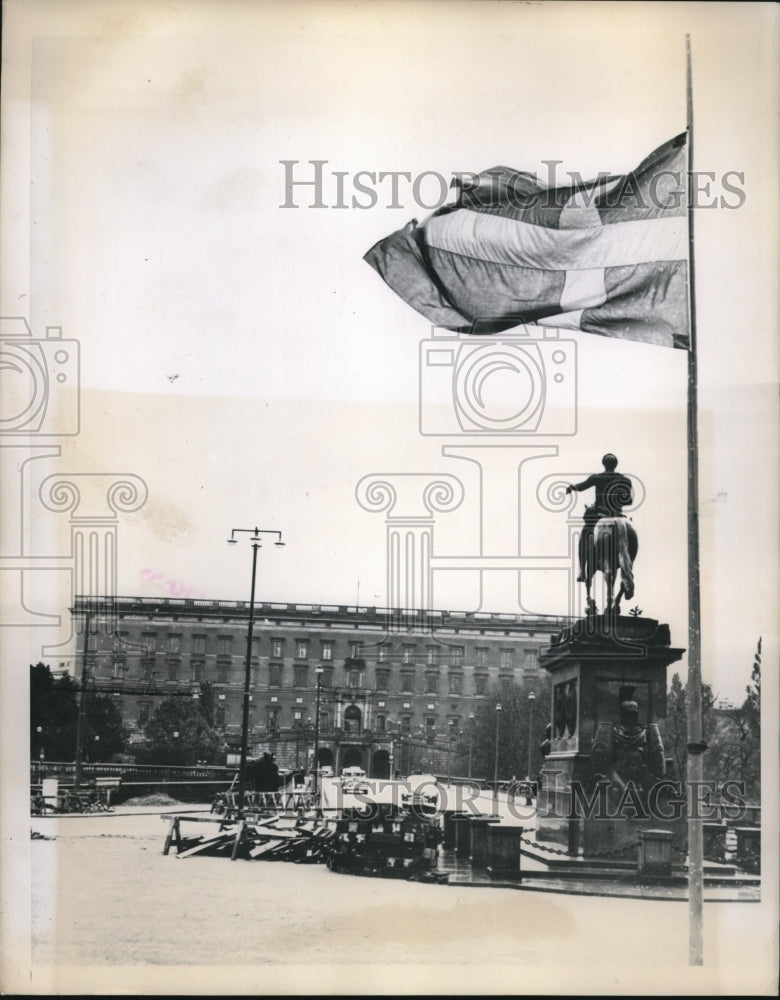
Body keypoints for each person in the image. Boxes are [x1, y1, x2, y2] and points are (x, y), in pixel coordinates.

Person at [565, 454, 633, 582]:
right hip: (618, 515)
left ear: (604, 464)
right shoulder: (625, 480)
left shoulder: (597, 478)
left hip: (600, 515)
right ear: (616, 465)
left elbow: (581, 486)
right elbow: (629, 501)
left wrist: (571, 488)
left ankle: (582, 572)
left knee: (584, 535)